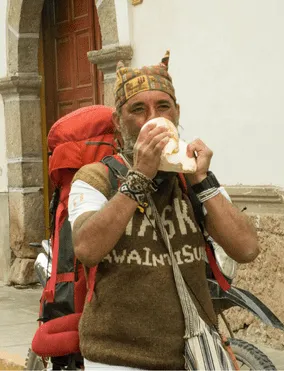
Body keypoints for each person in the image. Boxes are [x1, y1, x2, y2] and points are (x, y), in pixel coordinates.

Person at [68, 51, 260, 369]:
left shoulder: (192, 179)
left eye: (163, 107)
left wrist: (201, 179)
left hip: (191, 353)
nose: (152, 119)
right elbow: (87, 248)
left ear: (176, 114)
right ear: (118, 121)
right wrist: (138, 178)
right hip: (119, 358)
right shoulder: (96, 178)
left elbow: (247, 248)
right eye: (138, 110)